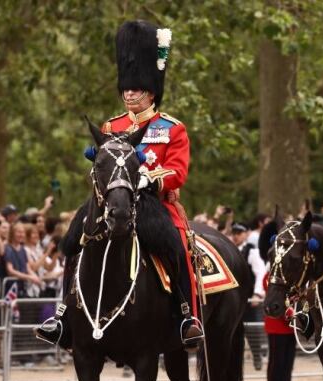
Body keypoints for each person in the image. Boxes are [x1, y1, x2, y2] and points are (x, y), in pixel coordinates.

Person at [36, 20, 204, 349]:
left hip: (154, 202)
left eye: (136, 88)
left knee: (175, 243)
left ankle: (186, 314)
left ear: (151, 90)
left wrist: (146, 178)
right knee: (74, 238)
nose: (129, 93)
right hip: (112, 200)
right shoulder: (111, 125)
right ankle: (62, 316)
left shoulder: (172, 128)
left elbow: (178, 172)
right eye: (126, 88)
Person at [231, 223, 267, 370]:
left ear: (246, 234)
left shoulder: (252, 251)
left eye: (239, 233)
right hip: (234, 300)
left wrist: (258, 293)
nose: (236, 235)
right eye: (234, 232)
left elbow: (261, 272)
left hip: (249, 299)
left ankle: (257, 357)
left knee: (254, 333)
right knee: (233, 331)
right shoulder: (229, 248)